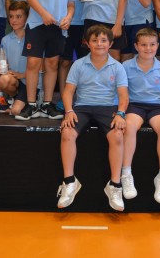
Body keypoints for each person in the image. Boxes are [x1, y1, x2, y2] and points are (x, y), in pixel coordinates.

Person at [57, 25, 129, 211]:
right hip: (82, 108)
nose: (99, 44)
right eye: (95, 40)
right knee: (67, 133)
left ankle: (115, 186)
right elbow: (68, 92)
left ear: (110, 43)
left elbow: (123, 95)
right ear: (87, 43)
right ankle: (70, 182)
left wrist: (121, 113)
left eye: (104, 40)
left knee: (118, 135)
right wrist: (69, 111)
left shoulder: (117, 67)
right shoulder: (78, 64)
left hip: (108, 108)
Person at [20, 0, 76, 121]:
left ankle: (47, 104)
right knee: (33, 63)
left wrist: (68, 17)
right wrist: (43, 13)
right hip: (37, 23)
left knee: (52, 63)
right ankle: (31, 104)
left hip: (58, 27)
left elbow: (71, 3)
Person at [121, 28, 160, 204]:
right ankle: (126, 174)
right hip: (135, 105)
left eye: (152, 45)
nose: (148, 48)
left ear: (157, 46)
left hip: (157, 105)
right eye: (143, 45)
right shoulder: (126, 66)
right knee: (128, 126)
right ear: (136, 46)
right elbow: (122, 92)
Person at [58, 0, 89, 111]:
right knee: (65, 62)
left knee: (85, 63)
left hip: (84, 23)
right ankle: (64, 98)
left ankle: (84, 97)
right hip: (66, 23)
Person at [0, 1, 33, 116]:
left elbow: (41, 66)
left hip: (31, 82)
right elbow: (4, 63)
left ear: (27, 17)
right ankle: (15, 98)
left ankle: (34, 100)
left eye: (18, 16)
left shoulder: (33, 38)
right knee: (3, 80)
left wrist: (22, 75)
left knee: (16, 111)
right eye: (11, 16)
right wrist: (2, 68)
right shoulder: (5, 40)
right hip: (16, 82)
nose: (14, 20)